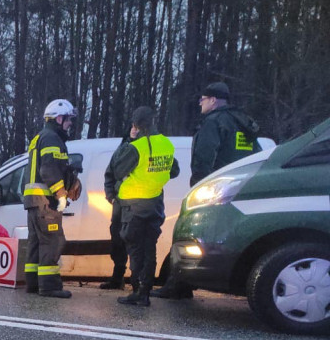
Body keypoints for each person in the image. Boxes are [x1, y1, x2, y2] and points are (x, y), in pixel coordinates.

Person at [154, 81, 261, 299]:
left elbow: (204, 157)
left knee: (189, 234)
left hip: (214, 191)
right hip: (241, 191)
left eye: (202, 99)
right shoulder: (244, 123)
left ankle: (179, 285)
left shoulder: (214, 122)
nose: (200, 103)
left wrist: (198, 187)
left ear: (213, 100)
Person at [103, 107, 180, 307]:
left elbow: (117, 168)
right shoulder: (165, 143)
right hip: (154, 204)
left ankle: (137, 290)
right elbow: (174, 171)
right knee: (149, 249)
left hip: (134, 206)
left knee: (135, 249)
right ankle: (146, 290)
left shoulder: (137, 147)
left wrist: (130, 142)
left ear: (136, 125)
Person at [21, 99, 82, 298]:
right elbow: (48, 169)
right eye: (68, 119)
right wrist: (61, 194)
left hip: (33, 201)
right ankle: (49, 286)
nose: (70, 124)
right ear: (58, 118)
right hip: (46, 201)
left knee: (36, 243)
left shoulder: (39, 137)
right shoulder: (52, 139)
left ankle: (32, 283)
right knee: (52, 241)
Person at [99, 131, 133, 290]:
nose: (134, 129)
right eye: (132, 126)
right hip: (120, 205)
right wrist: (111, 196)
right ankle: (117, 278)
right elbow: (110, 173)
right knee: (117, 242)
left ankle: (138, 283)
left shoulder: (146, 146)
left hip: (137, 204)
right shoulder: (122, 148)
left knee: (135, 244)